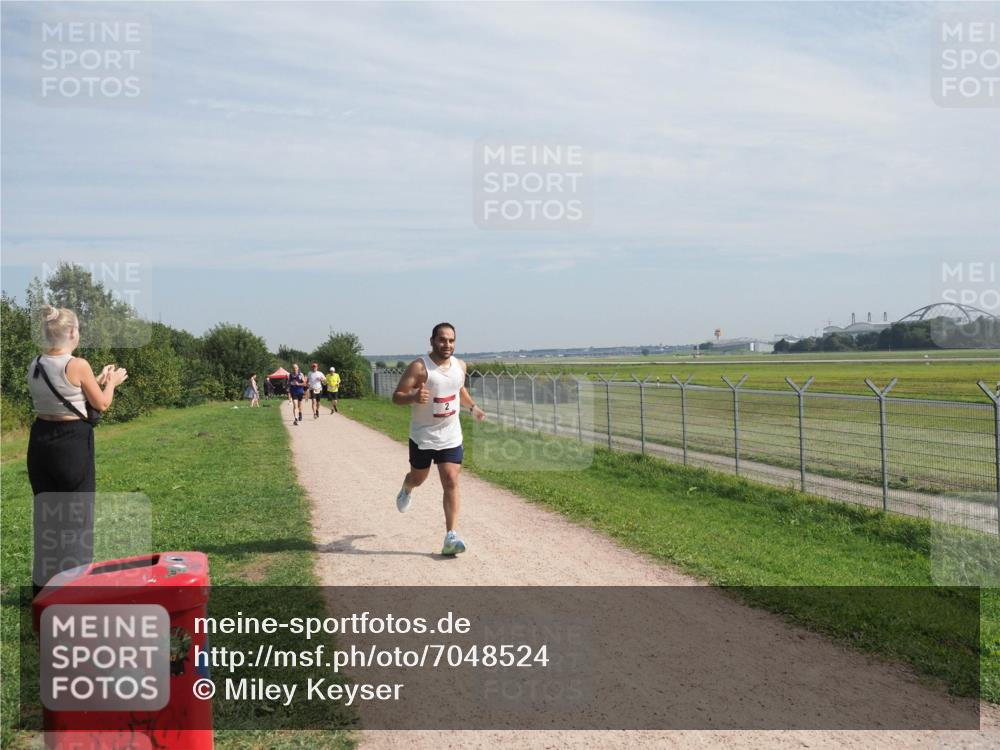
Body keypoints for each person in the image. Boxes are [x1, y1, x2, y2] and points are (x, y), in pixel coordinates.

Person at [26, 305, 128, 595]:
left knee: (47, 518)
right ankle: (76, 586)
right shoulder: (78, 364)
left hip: (41, 441)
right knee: (77, 518)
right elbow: (101, 405)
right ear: (72, 332)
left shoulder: (35, 364)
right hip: (72, 444)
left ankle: (42, 588)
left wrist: (94, 381)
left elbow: (64, 395)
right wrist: (111, 383)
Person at [392, 322, 485, 556]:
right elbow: (397, 396)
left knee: (451, 479)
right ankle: (407, 487)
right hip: (423, 436)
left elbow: (458, 389)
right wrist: (413, 395)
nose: (447, 344)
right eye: (442, 339)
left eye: (451, 340)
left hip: (451, 434)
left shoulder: (459, 365)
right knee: (418, 478)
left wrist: (473, 408)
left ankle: (450, 536)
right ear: (432, 340)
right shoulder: (419, 367)